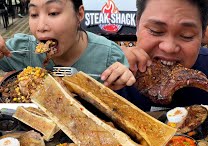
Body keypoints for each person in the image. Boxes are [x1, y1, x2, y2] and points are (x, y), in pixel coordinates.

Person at [0, 0, 135, 90]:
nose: (40, 27)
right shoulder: (22, 50)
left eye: (53, 13)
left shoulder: (108, 56)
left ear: (79, 14)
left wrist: (123, 80)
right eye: (34, 14)